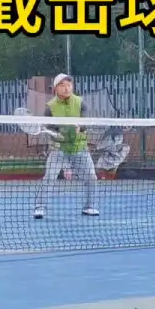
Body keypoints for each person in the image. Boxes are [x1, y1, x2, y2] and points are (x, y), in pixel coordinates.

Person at [33, 74, 100, 219]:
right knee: (49, 177)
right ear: (56, 88)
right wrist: (58, 135)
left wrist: (80, 127)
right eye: (63, 85)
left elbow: (85, 122)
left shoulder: (81, 103)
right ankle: (40, 208)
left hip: (79, 147)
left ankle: (89, 206)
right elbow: (49, 128)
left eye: (69, 85)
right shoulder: (50, 107)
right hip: (58, 149)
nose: (67, 88)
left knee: (91, 176)